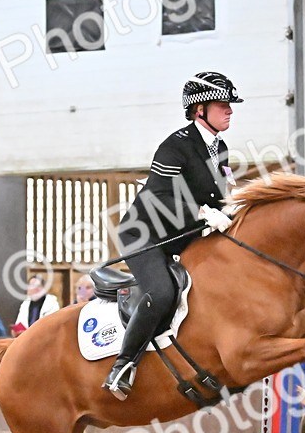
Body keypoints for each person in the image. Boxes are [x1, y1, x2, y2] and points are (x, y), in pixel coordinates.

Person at [103, 71, 241, 400]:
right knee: (163, 292)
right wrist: (203, 212)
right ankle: (122, 366)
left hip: (182, 238)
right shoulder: (175, 146)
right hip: (144, 234)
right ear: (199, 110)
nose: (230, 110)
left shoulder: (220, 148)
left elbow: (218, 196)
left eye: (230, 105)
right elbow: (159, 198)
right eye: (223, 104)